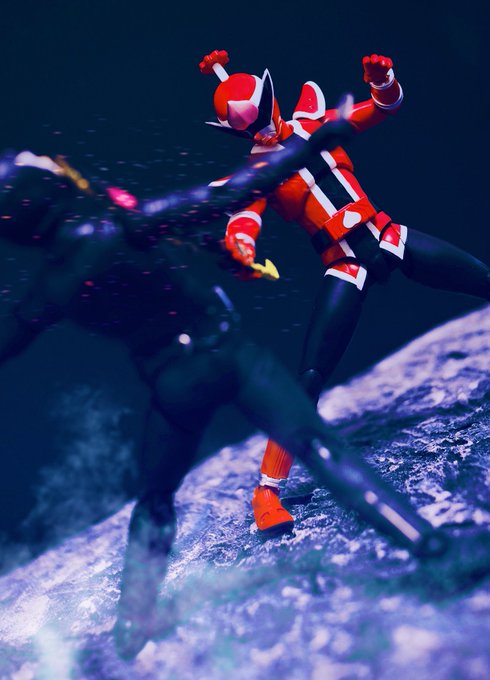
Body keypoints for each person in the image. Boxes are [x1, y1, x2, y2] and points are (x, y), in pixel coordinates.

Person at [0, 123, 487, 660]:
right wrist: (315, 141)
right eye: (33, 163)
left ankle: (132, 625)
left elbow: (16, 334)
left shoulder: (52, 286)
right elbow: (235, 191)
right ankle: (432, 548)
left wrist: (215, 249)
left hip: (172, 383)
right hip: (229, 355)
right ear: (43, 192)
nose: (44, 159)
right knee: (317, 446)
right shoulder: (122, 224)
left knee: (156, 498)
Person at [200, 49, 490, 533]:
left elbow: (383, 108)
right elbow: (244, 219)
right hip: (344, 263)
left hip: (386, 235)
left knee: (482, 278)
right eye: (246, 129)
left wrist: (383, 81)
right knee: (309, 378)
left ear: (273, 98)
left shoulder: (315, 124)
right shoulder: (256, 175)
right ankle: (266, 493)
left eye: (262, 115)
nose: (261, 131)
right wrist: (241, 249)